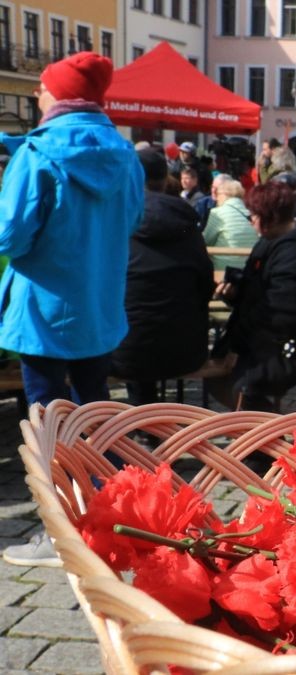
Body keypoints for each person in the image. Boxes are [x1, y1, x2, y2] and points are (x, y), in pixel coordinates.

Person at [0, 52, 144, 568]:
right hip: (98, 307)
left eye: (41, 88)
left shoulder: (39, 154)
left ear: (56, 96)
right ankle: (101, 522)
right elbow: (130, 219)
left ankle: (59, 532)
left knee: (45, 424)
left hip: (43, 310)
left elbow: (9, 235)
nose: (37, 94)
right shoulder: (124, 155)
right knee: (94, 417)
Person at [209, 182, 296, 412]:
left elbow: (282, 313)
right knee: (217, 379)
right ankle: (266, 435)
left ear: (268, 218)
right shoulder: (271, 241)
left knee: (243, 386)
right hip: (266, 339)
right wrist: (235, 292)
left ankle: (270, 439)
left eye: (253, 216)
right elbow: (258, 296)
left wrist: (238, 348)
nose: (250, 221)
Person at [113, 148, 213, 406]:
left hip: (126, 351)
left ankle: (141, 426)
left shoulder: (114, 220)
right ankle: (151, 426)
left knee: (132, 329)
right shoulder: (186, 221)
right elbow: (206, 284)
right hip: (186, 349)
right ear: (165, 178)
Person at [203, 173, 258, 273]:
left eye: (218, 194)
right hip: (248, 269)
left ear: (224, 195)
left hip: (223, 270)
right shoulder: (250, 213)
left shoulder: (218, 213)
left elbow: (206, 240)